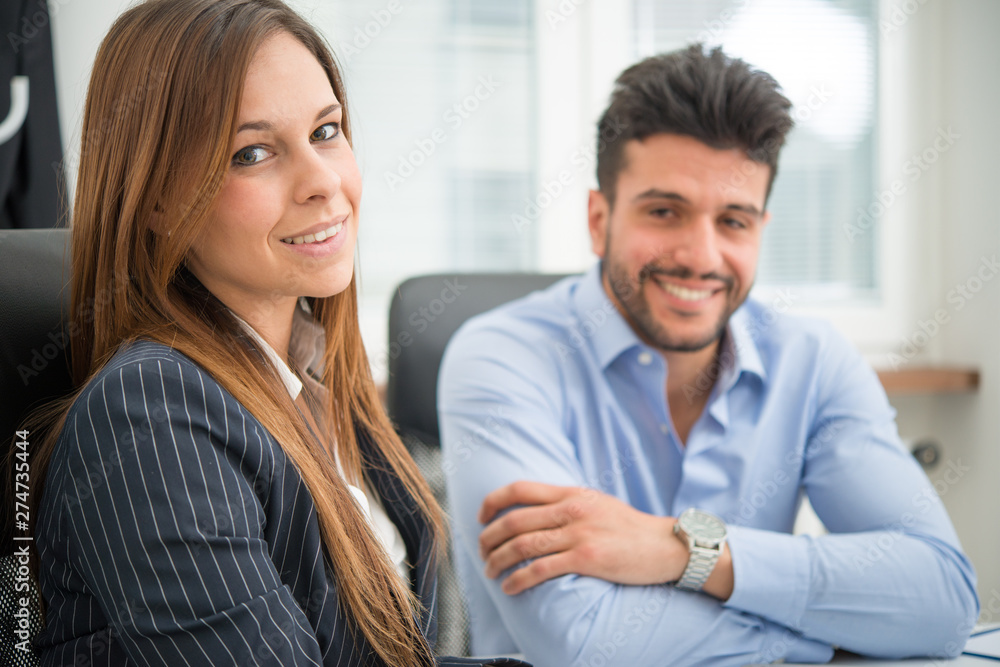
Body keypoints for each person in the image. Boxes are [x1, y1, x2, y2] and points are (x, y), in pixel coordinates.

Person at [438, 45, 979, 666]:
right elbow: (581, 644)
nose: (700, 256)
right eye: (664, 211)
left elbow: (941, 599)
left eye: (733, 221)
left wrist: (684, 550)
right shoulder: (502, 356)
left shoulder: (815, 360)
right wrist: (832, 631)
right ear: (598, 219)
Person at [28, 1, 530, 665]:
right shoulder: (149, 412)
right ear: (155, 199)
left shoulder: (323, 386)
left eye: (327, 131)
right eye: (253, 152)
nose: (325, 183)